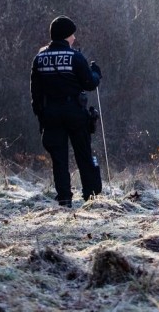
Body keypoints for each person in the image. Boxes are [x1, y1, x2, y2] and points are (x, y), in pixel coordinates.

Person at [31, 15, 103, 206]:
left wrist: (41, 116)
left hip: (51, 114)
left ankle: (64, 198)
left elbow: (35, 93)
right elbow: (89, 83)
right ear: (65, 36)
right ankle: (91, 196)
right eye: (72, 35)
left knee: (59, 158)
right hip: (75, 112)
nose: (74, 39)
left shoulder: (39, 59)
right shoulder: (75, 57)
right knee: (83, 154)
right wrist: (96, 72)